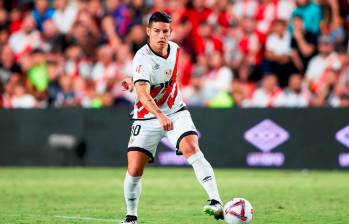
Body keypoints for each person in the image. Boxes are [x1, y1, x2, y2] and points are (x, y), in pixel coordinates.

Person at [121, 11, 223, 224]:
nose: (161, 36)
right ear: (148, 32)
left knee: (192, 148)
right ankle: (131, 216)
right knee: (134, 169)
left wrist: (134, 80)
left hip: (176, 111)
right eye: (156, 31)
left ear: (171, 32)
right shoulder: (141, 57)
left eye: (165, 31)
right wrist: (157, 113)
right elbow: (143, 93)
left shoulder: (176, 50)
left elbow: (157, 77)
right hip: (147, 117)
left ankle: (216, 202)